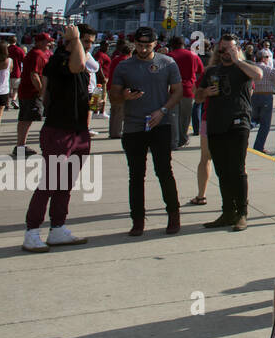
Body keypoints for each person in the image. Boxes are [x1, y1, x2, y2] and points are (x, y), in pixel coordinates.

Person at [22, 24, 96, 252]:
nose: (89, 45)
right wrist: (74, 41)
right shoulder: (60, 60)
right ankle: (32, 231)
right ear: (72, 40)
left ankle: (58, 228)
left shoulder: (84, 64)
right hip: (58, 130)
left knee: (66, 183)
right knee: (50, 182)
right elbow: (77, 65)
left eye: (92, 42)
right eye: (85, 40)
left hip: (78, 130)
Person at [110, 27, 183, 237]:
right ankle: (138, 219)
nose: (143, 49)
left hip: (160, 123)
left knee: (164, 171)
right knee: (136, 175)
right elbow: (113, 94)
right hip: (134, 125)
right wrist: (123, 94)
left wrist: (163, 110)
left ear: (155, 45)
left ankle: (173, 214)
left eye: (147, 46)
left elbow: (178, 91)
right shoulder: (124, 66)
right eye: (140, 45)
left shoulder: (167, 63)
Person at [194, 34, 262, 231]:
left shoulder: (244, 67)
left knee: (237, 169)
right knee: (222, 170)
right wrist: (206, 93)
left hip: (238, 123)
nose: (226, 53)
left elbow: (258, 75)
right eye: (222, 50)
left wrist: (238, 60)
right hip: (216, 124)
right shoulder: (211, 71)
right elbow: (197, 97)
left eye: (230, 49)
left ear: (237, 49)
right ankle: (227, 211)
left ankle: (242, 212)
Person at [13, 33, 53, 157]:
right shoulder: (37, 55)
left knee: (25, 119)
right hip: (31, 92)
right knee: (27, 119)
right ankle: (20, 146)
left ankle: (20, 145)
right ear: (39, 42)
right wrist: (41, 92)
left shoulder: (35, 53)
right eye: (47, 42)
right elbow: (34, 75)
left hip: (26, 91)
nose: (50, 44)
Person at [165, 36, 205, 150]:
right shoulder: (193, 55)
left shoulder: (169, 56)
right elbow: (201, 72)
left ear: (172, 45)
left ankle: (174, 141)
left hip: (173, 89)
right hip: (188, 89)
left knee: (173, 117)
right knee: (185, 117)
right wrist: (196, 86)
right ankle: (183, 138)